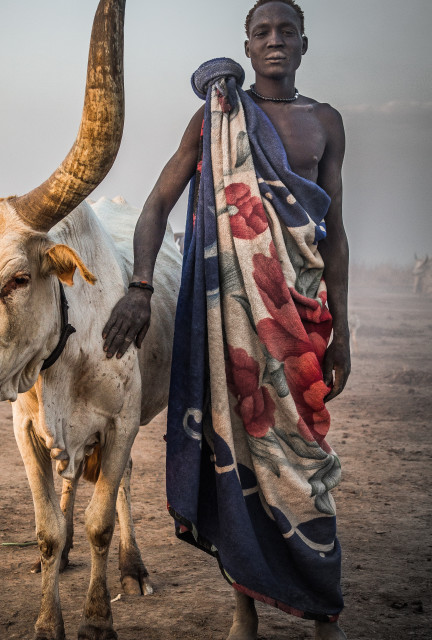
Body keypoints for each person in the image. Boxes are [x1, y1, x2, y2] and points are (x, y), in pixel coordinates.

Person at [102, 1, 349, 639]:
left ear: (303, 43)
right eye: (262, 32)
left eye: (285, 32)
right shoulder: (215, 119)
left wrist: (342, 327)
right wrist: (137, 285)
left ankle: (324, 612)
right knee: (234, 459)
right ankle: (244, 614)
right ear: (245, 42)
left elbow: (335, 234)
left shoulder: (326, 123)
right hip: (229, 326)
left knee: (305, 462)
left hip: (299, 317)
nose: (274, 42)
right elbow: (157, 204)